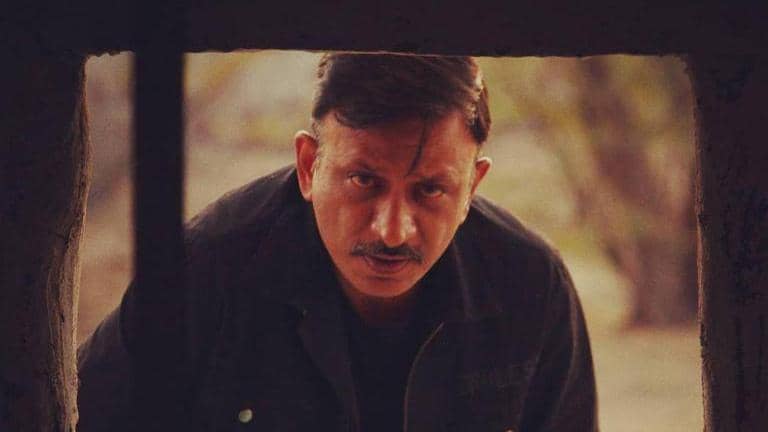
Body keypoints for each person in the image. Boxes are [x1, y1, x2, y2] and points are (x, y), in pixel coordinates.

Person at [77, 53, 598, 432]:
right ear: (309, 166)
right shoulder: (206, 269)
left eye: (430, 190)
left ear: (471, 189)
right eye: (364, 181)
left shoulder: (530, 284)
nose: (392, 231)